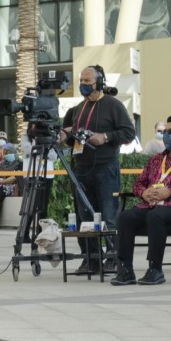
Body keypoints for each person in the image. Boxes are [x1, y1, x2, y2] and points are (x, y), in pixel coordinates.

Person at [113, 115, 171, 285]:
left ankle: (155, 269)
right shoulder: (156, 159)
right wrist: (143, 193)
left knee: (155, 216)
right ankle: (125, 269)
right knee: (125, 217)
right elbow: (139, 183)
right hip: (151, 204)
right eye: (164, 132)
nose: (166, 135)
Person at [62, 66, 135, 276]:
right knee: (85, 216)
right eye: (81, 80)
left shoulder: (113, 105)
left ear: (99, 82)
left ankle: (113, 257)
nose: (83, 84)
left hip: (106, 168)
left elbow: (128, 132)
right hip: (81, 169)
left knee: (109, 215)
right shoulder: (77, 108)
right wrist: (64, 136)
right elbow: (69, 134)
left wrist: (105, 137)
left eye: (87, 80)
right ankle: (91, 259)